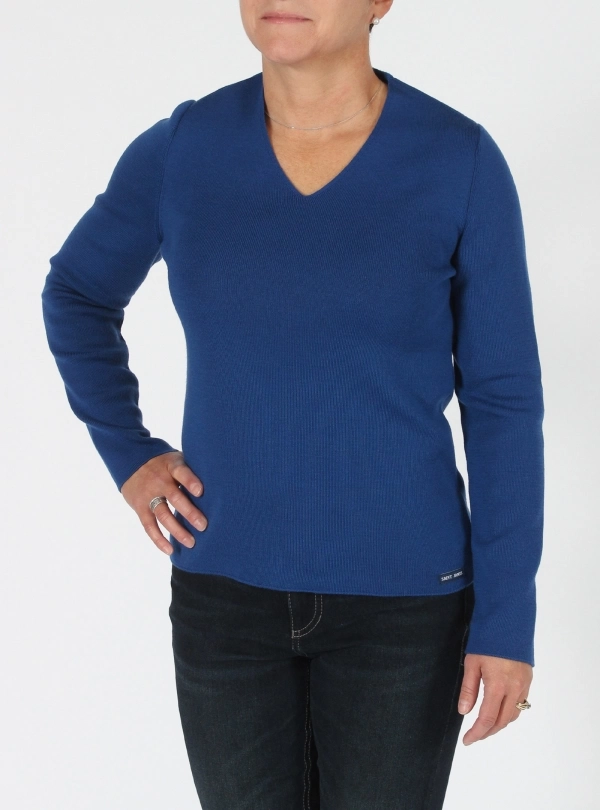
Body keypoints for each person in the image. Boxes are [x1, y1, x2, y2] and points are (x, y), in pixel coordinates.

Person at [41, 1, 544, 807]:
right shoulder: (185, 149)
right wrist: (129, 453)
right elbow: (75, 292)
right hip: (224, 603)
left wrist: (507, 618)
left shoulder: (458, 162)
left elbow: (502, 400)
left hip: (404, 609)